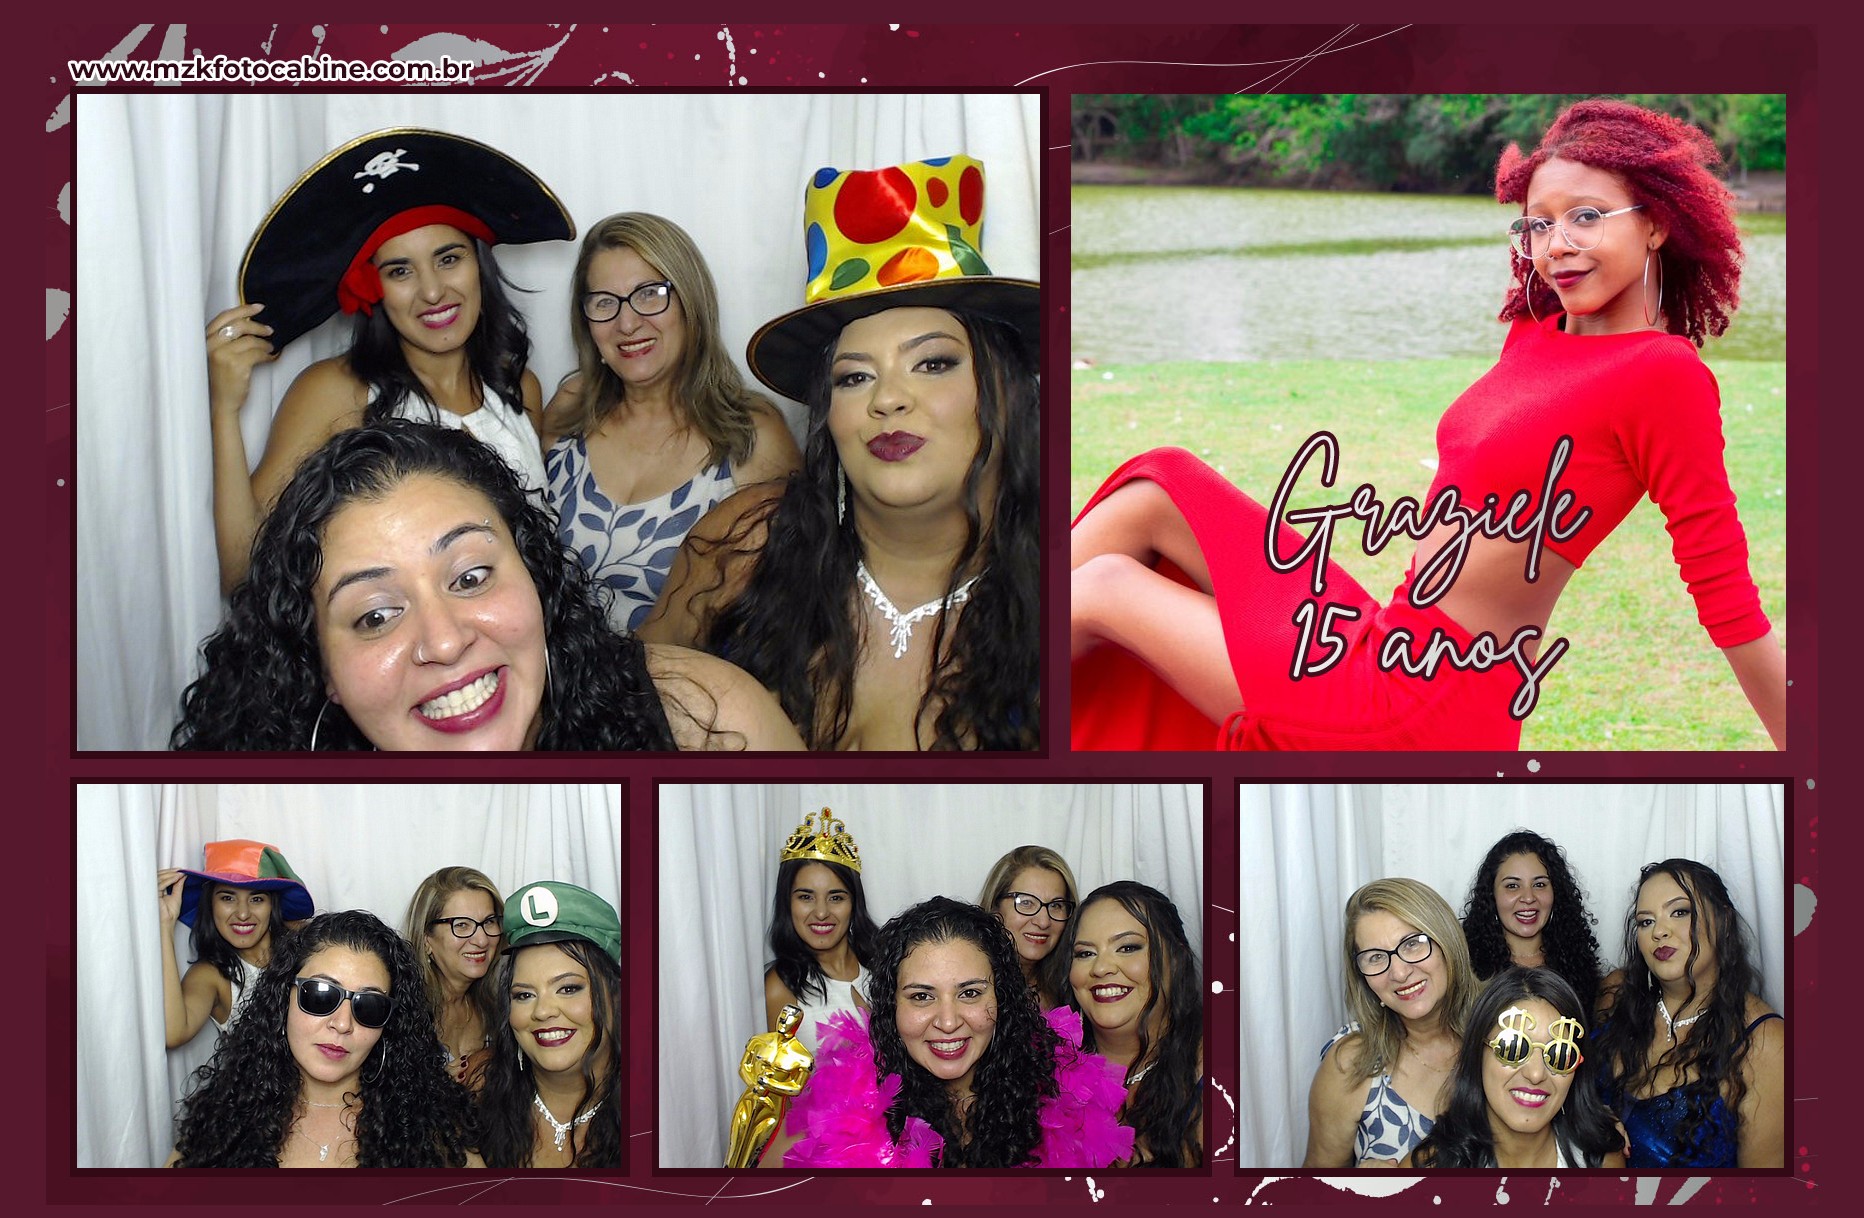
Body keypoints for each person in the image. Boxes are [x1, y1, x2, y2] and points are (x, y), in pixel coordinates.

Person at [1070, 98, 1784, 751]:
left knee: (1106, 585)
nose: (1556, 244)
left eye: (1587, 217)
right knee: (1159, 487)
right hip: (1385, 639)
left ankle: (995, 707)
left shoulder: (1662, 375)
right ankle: (1000, 672)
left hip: (1423, 708)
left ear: (1656, 222)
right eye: (1538, 223)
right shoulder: (1535, 336)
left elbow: (1725, 596)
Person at [641, 156, 1040, 750]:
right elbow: (616, 715)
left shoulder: (1063, 591)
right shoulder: (742, 546)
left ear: (1005, 390)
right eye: (854, 377)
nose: (888, 399)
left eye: (933, 364)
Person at [171, 418, 804, 751]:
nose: (445, 642)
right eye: (375, 616)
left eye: (471, 577)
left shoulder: (709, 722)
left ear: (534, 575)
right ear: (323, 670)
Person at [207, 127, 572, 593]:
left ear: (479, 265)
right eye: (400, 271)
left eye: (448, 259)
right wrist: (224, 410)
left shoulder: (519, 387)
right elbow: (243, 571)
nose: (433, 291)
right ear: (373, 288)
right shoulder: (337, 392)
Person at [542, 213, 801, 632]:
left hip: (673, 672)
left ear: (690, 301)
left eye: (650, 294)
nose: (627, 323)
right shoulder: (569, 411)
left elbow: (782, 616)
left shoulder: (751, 435)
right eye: (604, 302)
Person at [760, 896, 1132, 1169]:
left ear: (1001, 998)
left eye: (970, 993)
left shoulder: (1064, 1095)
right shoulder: (836, 1109)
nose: (948, 1021)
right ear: (892, 1007)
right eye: (922, 997)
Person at [167, 909, 477, 1168]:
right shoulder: (224, 1115)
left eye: (369, 1006)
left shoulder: (430, 1126)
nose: (342, 1024)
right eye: (320, 995)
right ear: (283, 999)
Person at [1592, 859, 1783, 1167]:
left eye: (1680, 912)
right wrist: (1591, 1116)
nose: (1659, 932)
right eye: (1646, 922)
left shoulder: (1765, 1042)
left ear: (1723, 920)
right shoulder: (1616, 995)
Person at [1304, 878, 1478, 1167]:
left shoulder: (1506, 1030)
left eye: (1412, 944)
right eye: (1375, 957)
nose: (1398, 973)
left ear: (1446, 939)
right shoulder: (1350, 1064)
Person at [1405, 967, 1623, 1168]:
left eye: (1559, 1054)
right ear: (1477, 1054)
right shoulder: (1430, 1167)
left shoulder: (1602, 1161)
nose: (1536, 1074)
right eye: (1512, 1048)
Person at [476, 881, 621, 1168]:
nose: (542, 1012)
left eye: (568, 988)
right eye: (524, 995)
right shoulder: (474, 1100)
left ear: (615, 997)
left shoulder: (656, 1111)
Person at [1065, 881, 1204, 1167]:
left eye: (1128, 947)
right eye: (1085, 953)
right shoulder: (1046, 1072)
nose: (1101, 968)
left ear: (1176, 959)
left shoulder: (1219, 1076)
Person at [157, 839, 314, 1048]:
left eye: (256, 899)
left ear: (272, 905)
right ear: (210, 904)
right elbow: (174, 1033)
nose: (242, 914)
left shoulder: (307, 942)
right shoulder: (212, 975)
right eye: (227, 898)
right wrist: (165, 924)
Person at [763, 808, 880, 1046]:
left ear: (854, 904)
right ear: (788, 903)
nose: (821, 912)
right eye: (806, 897)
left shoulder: (883, 965)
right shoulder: (779, 989)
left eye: (836, 897)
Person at [1460, 830, 1604, 1018]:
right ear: (1491, 896)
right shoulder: (1465, 965)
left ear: (1556, 892)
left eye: (1539, 884)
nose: (1528, 898)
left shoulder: (1578, 964)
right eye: (1512, 886)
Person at [403, 867, 504, 1089]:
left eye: (489, 922)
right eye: (461, 925)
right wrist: (436, 1087)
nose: (482, 940)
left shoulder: (498, 1006)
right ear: (427, 938)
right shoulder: (403, 1015)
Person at [978, 845, 1078, 1011]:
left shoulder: (1074, 985)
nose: (1043, 922)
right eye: (1026, 902)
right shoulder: (972, 983)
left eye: (1056, 905)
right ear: (995, 907)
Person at [726, 1004, 816, 1168]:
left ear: (797, 1022)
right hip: (749, 1100)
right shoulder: (758, 1041)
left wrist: (769, 1084)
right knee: (734, 1148)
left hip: (772, 1109)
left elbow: (796, 1088)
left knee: (754, 1153)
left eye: (790, 1016)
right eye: (783, 1014)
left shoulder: (802, 1057)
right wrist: (754, 1083)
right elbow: (744, 1067)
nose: (784, 1019)